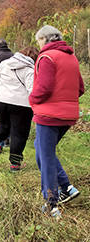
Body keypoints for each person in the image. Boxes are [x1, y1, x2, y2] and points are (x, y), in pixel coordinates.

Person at [29, 25, 84, 219]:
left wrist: (32, 99)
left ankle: (51, 204)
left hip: (49, 115)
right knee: (42, 150)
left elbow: (43, 87)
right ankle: (67, 187)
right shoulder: (72, 57)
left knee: (46, 157)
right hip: (68, 115)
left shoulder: (47, 57)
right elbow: (80, 88)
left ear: (44, 39)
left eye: (39, 41)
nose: (39, 45)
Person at [0, 46, 39, 172]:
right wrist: (36, 107)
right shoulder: (30, 69)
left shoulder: (5, 63)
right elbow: (31, 90)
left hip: (0, 100)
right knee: (19, 133)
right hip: (21, 104)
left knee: (3, 126)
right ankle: (15, 164)